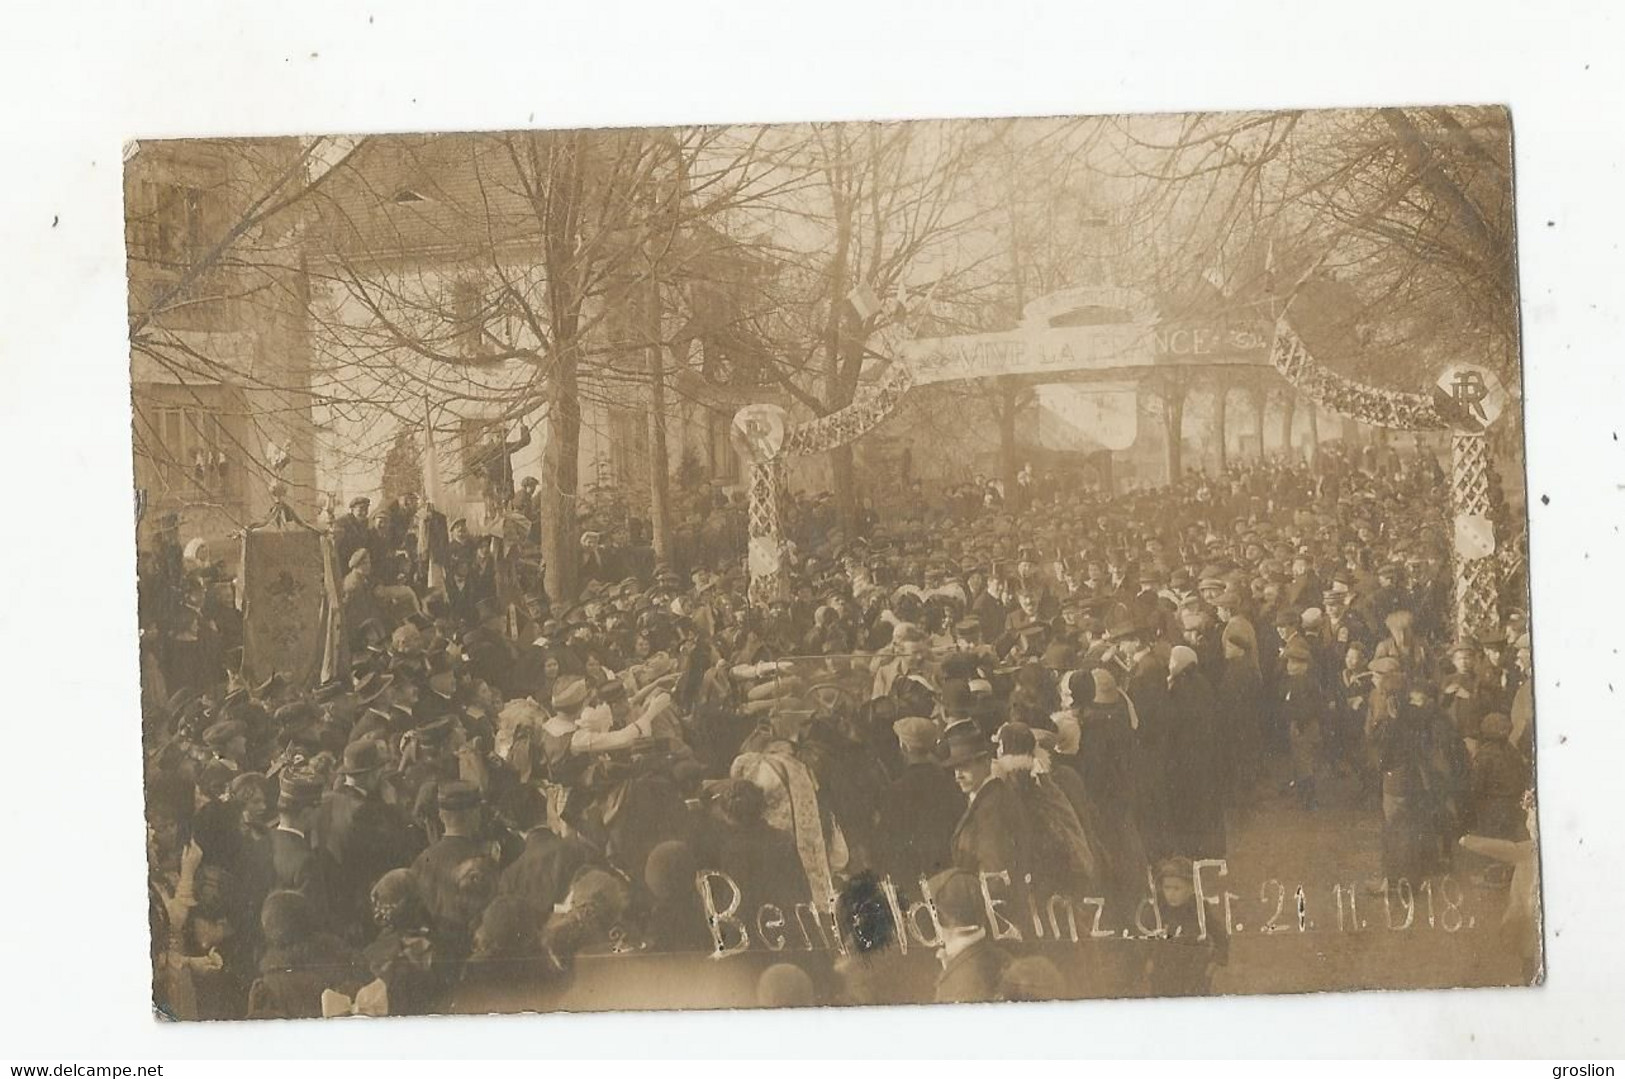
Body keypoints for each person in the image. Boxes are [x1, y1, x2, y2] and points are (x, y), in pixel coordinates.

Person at [873, 715, 962, 892]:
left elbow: (889, 842)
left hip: (912, 876)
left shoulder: (895, 791)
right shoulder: (950, 784)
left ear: (904, 747)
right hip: (948, 871)